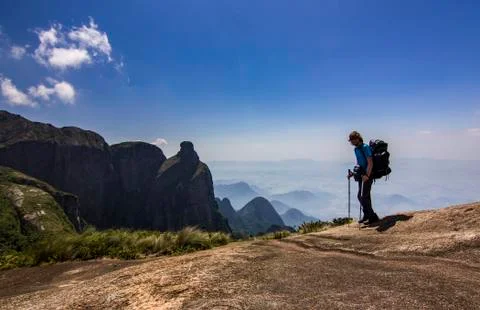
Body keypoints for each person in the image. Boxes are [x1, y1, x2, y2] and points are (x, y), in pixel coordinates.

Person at [347, 131, 380, 224]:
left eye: (353, 140)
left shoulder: (365, 147)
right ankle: (367, 215)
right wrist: (353, 173)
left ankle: (372, 217)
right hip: (361, 175)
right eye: (351, 141)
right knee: (362, 196)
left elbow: (370, 163)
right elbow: (359, 163)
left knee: (363, 196)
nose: (351, 142)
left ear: (357, 138)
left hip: (367, 175)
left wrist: (367, 175)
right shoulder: (356, 149)